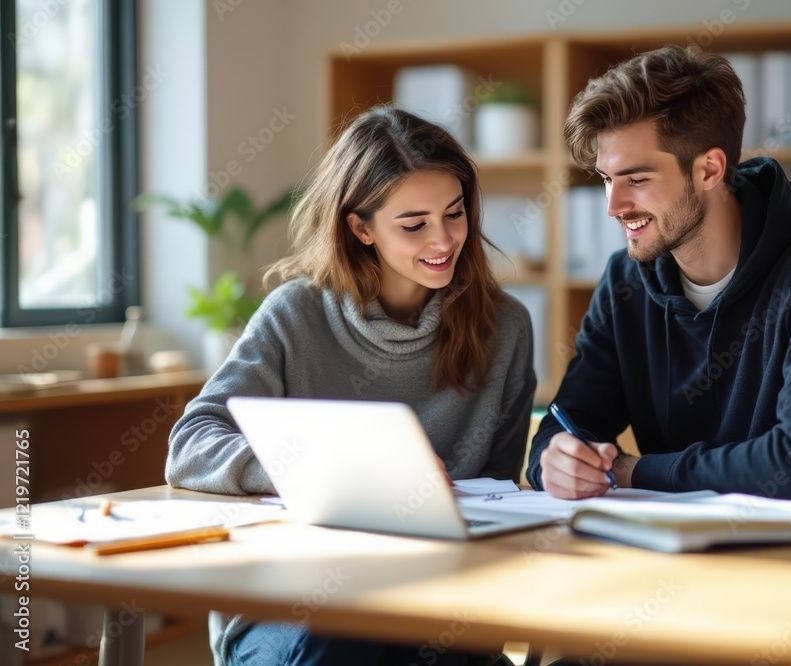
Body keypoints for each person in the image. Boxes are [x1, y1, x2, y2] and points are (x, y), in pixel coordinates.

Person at [166, 106, 535, 666]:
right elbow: (191, 445)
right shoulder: (295, 314)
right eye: (413, 225)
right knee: (343, 635)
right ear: (361, 228)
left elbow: (498, 492)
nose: (444, 240)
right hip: (293, 602)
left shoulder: (505, 328)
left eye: (455, 214)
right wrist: (321, 470)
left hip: (436, 603)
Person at [528, 45, 791, 501]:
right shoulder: (625, 280)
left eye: (637, 180)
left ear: (709, 169)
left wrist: (630, 471)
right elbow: (566, 422)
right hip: (681, 538)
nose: (613, 206)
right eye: (607, 179)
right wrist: (555, 460)